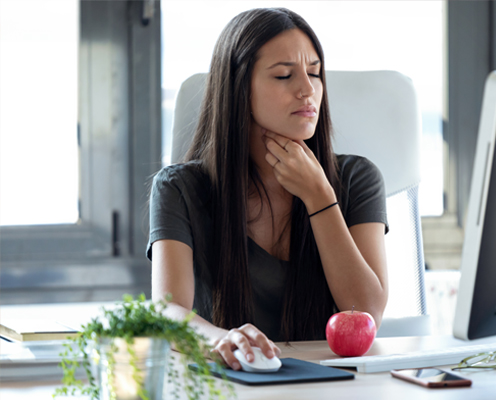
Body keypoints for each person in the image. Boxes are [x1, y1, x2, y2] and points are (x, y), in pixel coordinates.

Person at [148, 7, 388, 371]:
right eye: (284, 75)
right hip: (232, 381)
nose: (308, 90)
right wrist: (220, 339)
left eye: (314, 73)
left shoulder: (357, 178)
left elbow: (366, 312)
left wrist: (319, 197)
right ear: (239, 87)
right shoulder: (179, 189)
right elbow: (167, 312)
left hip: (336, 386)